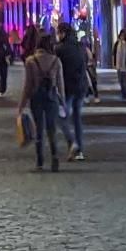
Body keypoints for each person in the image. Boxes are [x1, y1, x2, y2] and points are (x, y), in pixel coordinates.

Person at [17, 32, 65, 172]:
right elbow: (60, 84)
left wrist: (22, 104)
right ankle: (55, 157)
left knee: (39, 130)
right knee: (52, 129)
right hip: (52, 98)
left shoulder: (31, 61)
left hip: (36, 98)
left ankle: (39, 161)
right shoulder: (56, 61)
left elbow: (28, 86)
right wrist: (62, 102)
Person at [55, 23, 86, 160]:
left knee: (61, 117)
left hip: (67, 88)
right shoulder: (80, 47)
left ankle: (72, 142)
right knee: (77, 118)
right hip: (80, 87)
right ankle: (79, 150)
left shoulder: (59, 49)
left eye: (58, 32)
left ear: (62, 33)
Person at [113, 28, 126, 102]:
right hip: (120, 66)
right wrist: (116, 64)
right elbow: (115, 54)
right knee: (122, 81)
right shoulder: (118, 44)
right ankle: (125, 94)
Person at [82, 33, 101, 103]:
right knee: (90, 82)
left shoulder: (86, 49)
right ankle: (92, 96)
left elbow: (91, 58)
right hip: (89, 66)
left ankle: (91, 96)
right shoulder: (86, 49)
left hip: (89, 66)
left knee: (91, 81)